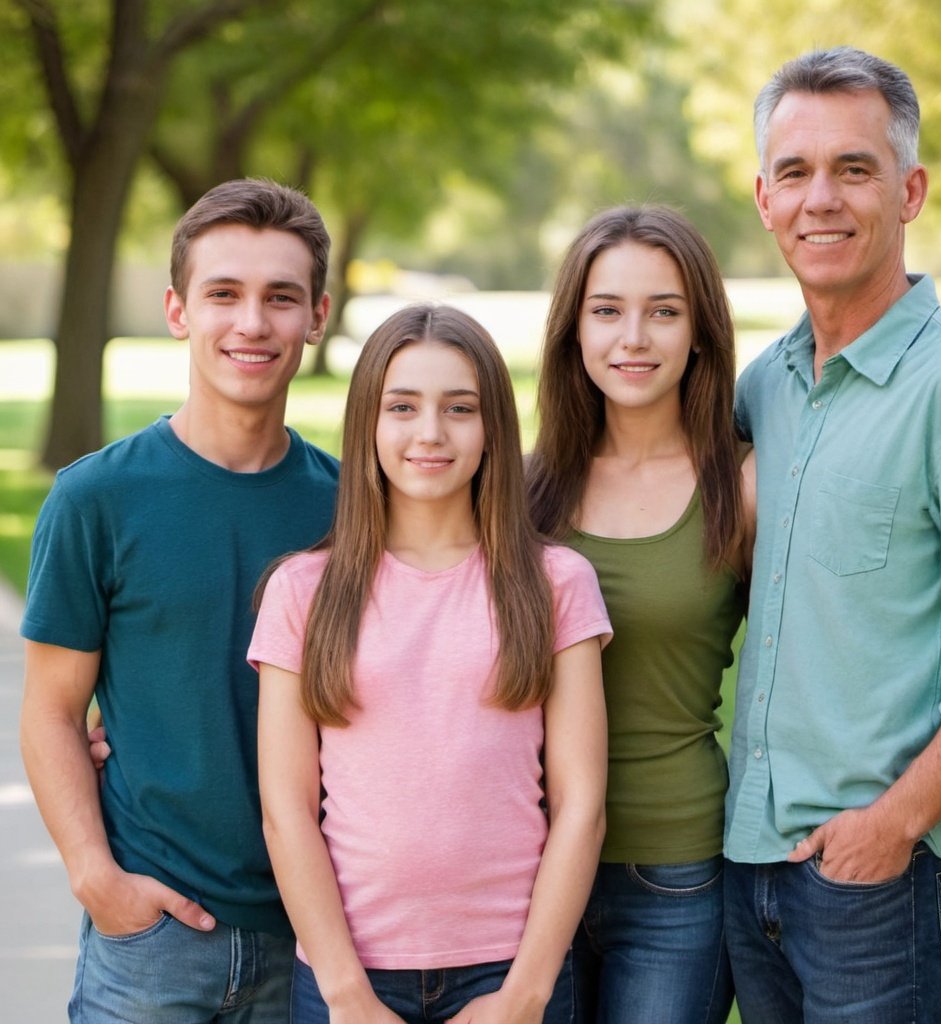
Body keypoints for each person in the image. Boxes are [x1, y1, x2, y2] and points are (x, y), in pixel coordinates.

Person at [723, 46, 941, 1023]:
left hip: (884, 878)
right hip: (751, 869)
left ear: (911, 190)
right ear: (762, 198)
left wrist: (888, 827)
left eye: (853, 168)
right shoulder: (765, 384)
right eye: (797, 173)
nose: (823, 199)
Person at [19, 178, 339, 1022]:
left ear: (318, 315)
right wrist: (98, 880)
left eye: (281, 297)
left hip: (315, 943)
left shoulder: (352, 511)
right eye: (223, 294)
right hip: (151, 943)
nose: (252, 323)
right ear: (177, 310)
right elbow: (52, 711)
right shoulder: (97, 499)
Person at [250, 303, 611, 1024]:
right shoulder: (301, 592)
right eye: (403, 406)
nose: (430, 433)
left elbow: (582, 807)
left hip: (511, 968)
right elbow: (285, 811)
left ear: (493, 430)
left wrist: (528, 993)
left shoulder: (556, 583)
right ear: (367, 425)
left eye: (460, 408)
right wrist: (345, 993)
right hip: (349, 974)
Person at [526, 205, 756, 1023]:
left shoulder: (741, 484)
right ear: (574, 331)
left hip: (676, 872)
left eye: (663, 311)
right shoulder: (520, 492)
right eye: (607, 310)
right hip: (525, 869)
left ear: (699, 332)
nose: (634, 337)